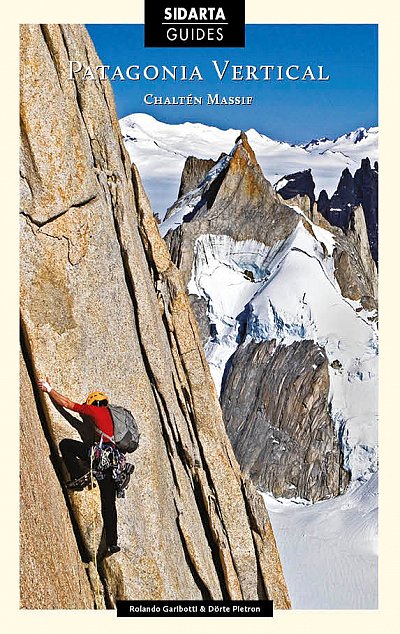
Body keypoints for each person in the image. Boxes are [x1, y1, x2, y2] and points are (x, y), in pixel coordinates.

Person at [37, 377, 132, 556]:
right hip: (114, 465)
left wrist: (49, 389)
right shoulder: (114, 418)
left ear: (93, 403)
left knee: (66, 445)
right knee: (108, 504)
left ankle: (78, 476)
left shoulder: (95, 410)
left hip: (100, 457)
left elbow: (67, 404)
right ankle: (112, 543)